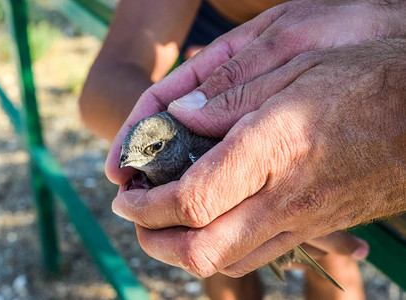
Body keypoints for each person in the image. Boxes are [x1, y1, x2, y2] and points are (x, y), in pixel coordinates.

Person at [80, 0, 405, 299]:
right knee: (222, 252)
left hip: (341, 106)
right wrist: (206, 144)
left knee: (325, 250)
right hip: (222, 120)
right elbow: (103, 84)